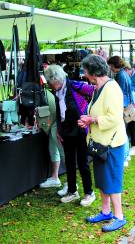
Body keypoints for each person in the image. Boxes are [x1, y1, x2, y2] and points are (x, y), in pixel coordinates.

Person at [78, 54, 127, 232]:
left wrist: (92, 119)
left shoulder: (112, 88)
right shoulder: (98, 87)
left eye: (85, 71)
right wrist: (88, 120)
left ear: (93, 71)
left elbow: (114, 118)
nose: (83, 74)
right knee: (101, 180)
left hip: (112, 144)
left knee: (112, 181)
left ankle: (119, 216)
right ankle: (106, 212)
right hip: (99, 144)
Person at [44, 64, 95, 206]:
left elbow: (96, 92)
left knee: (83, 162)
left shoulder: (76, 86)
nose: (49, 84)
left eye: (50, 82)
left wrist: (91, 116)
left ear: (56, 79)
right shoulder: (56, 92)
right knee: (70, 162)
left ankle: (89, 192)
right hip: (66, 131)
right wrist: (59, 130)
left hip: (80, 130)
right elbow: (60, 113)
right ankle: (72, 191)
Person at [107, 56, 133, 167]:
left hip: (123, 106)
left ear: (113, 65)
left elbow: (119, 93)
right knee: (124, 131)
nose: (109, 68)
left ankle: (125, 156)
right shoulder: (124, 74)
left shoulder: (121, 76)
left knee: (122, 133)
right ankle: (126, 155)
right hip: (127, 105)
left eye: (110, 66)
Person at [39, 86, 64, 188]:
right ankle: (55, 178)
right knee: (54, 150)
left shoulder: (49, 94)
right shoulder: (49, 93)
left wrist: (48, 127)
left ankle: (72, 185)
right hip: (54, 124)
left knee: (63, 153)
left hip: (58, 124)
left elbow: (53, 112)